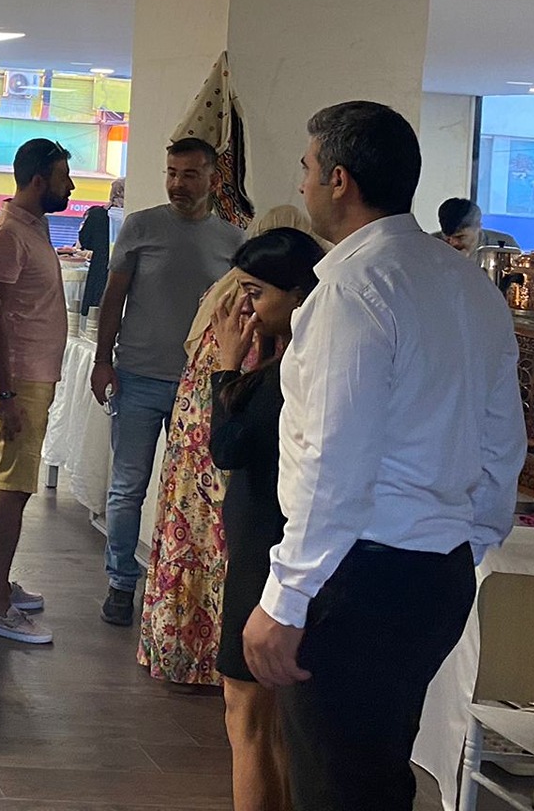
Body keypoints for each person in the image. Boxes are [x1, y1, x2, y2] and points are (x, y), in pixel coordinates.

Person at [242, 101, 522, 811]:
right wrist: (468, 539)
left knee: (338, 787)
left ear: (338, 180)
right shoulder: (467, 283)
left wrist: (286, 596)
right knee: (376, 776)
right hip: (437, 574)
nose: (300, 182)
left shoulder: (351, 286)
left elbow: (332, 459)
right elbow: (501, 442)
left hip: (358, 577)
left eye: (307, 167)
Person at [138, 203, 313, 688]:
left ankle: (191, 653)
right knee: (221, 563)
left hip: (205, 452)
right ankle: (211, 658)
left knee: (208, 559)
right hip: (224, 455)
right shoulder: (253, 312)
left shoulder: (230, 298)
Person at [91, 139, 246, 627]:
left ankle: (179, 587)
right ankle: (121, 582)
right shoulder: (140, 227)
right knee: (127, 486)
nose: (178, 184)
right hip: (137, 377)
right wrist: (102, 360)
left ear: (212, 179)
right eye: (172, 173)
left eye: (190, 174)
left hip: (198, 389)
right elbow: (113, 298)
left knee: (193, 495)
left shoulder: (233, 241)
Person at [209, 226, 325, 811]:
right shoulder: (296, 359)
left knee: (247, 713)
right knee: (272, 722)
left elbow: (229, 448)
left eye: (256, 293)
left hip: (266, 548)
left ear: (297, 294)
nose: (246, 309)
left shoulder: (288, 372)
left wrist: (227, 367)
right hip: (274, 542)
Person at [0, 137, 73, 647]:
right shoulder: (9, 233)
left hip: (27, 375)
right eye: (63, 178)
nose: (70, 187)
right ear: (38, 180)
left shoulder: (35, 224)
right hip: (18, 378)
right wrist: (8, 394)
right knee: (13, 487)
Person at [75, 178, 125, 315]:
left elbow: (85, 241)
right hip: (123, 272)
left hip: (99, 270)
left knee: (94, 314)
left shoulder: (97, 214)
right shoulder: (133, 217)